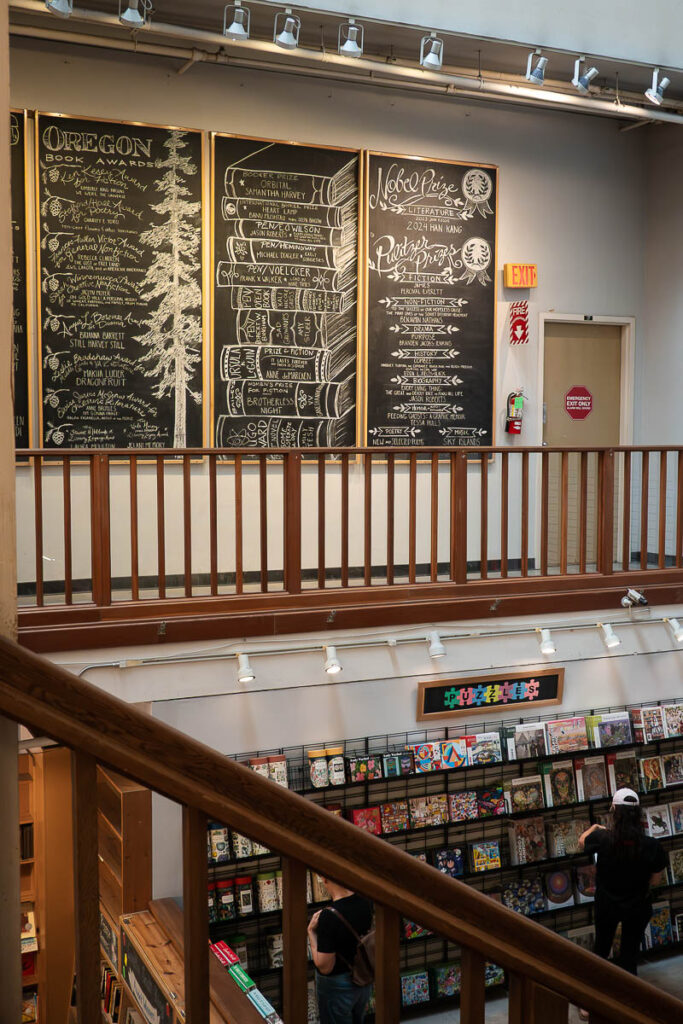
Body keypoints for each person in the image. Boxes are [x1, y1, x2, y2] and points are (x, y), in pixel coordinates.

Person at [577, 788, 666, 1019]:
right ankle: (629, 1004)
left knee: (601, 950)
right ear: (638, 814)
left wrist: (596, 827)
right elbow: (655, 880)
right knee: (629, 954)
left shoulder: (602, 838)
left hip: (607, 905)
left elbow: (582, 841)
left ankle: (588, 1004)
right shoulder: (651, 845)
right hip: (637, 906)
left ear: (614, 812)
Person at [307, 877, 373, 1024]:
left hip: (338, 984)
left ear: (325, 879)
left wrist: (311, 932)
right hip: (363, 977)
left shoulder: (329, 916)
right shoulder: (365, 902)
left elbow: (324, 966)